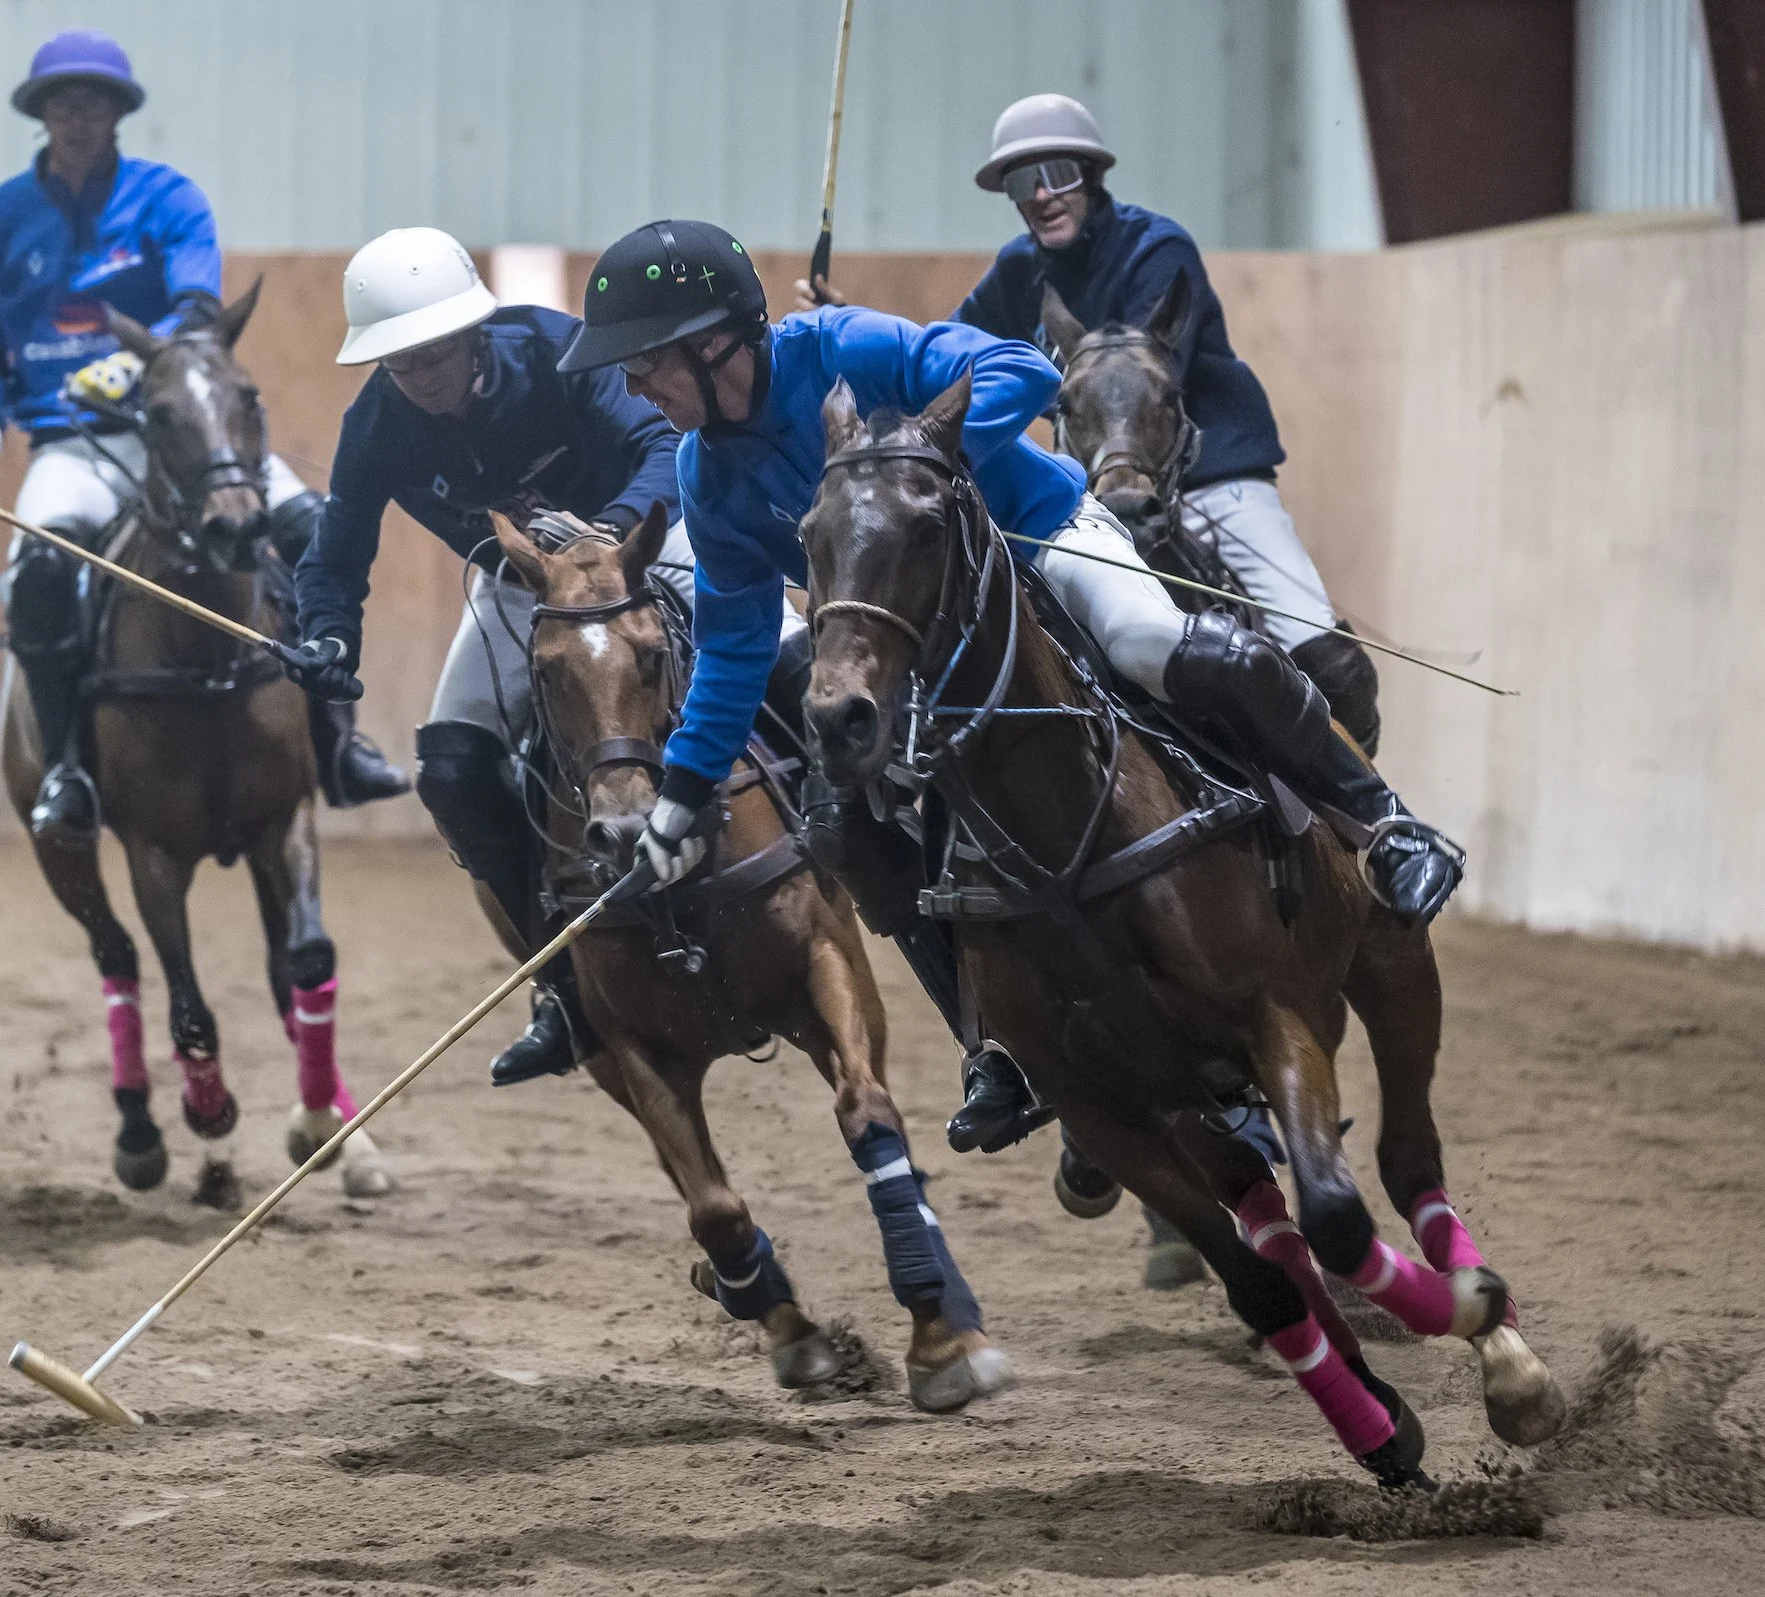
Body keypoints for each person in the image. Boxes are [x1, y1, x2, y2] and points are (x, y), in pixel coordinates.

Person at [563, 220, 1463, 1155]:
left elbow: (1020, 369)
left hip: (1041, 534)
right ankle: (995, 1043)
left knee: (1153, 642)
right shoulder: (707, 474)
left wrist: (924, 462)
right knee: (852, 820)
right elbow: (734, 646)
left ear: (715, 343)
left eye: (645, 363)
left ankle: (1385, 824)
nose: (635, 389)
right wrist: (681, 796)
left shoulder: (839, 347)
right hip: (927, 635)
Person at [282, 228, 797, 1085]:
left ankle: (858, 839)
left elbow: (663, 446)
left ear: (472, 332)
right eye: (401, 363)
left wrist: (609, 535)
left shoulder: (559, 351)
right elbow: (336, 553)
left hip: (642, 548)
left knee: (792, 655)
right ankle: (563, 985)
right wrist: (329, 634)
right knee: (451, 768)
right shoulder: (375, 424)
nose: (422, 375)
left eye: (436, 352)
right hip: (525, 589)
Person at [798, 93, 1382, 752]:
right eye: (1023, 181)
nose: (1043, 194)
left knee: (1319, 648)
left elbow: (1138, 378)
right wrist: (849, 328)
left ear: (1093, 174)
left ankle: (1363, 803)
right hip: (1087, 494)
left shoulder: (1156, 248)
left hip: (1209, 479)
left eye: (1060, 174)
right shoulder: (1017, 271)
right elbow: (937, 363)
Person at [0, 29, 407, 846]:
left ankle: (338, 741)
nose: (78, 118)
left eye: (94, 103)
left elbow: (198, 310)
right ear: (42, 113)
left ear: (117, 112)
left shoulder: (168, 198)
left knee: (310, 530)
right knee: (39, 574)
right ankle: (67, 769)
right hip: (74, 447)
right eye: (63, 103)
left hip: (188, 431)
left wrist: (138, 362)